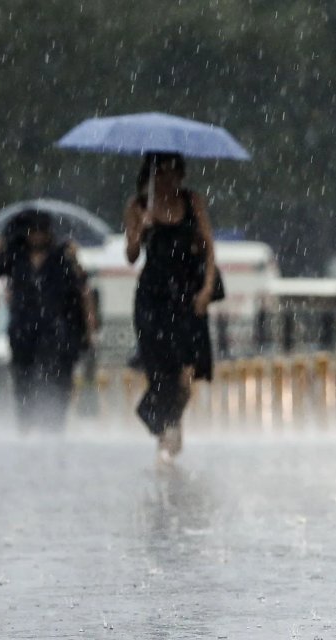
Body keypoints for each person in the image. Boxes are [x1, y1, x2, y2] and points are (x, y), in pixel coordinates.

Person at [123, 153, 217, 462]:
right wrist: (141, 229)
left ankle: (163, 419)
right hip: (153, 297)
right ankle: (167, 431)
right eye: (160, 173)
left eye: (173, 173)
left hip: (188, 296)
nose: (167, 179)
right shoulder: (138, 206)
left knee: (187, 369)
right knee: (159, 367)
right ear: (150, 176)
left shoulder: (192, 202)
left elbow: (209, 248)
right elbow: (131, 255)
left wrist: (206, 290)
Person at [0, 211, 97, 430]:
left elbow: (83, 290)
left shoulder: (63, 256)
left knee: (58, 379)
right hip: (24, 328)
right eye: (33, 231)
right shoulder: (15, 256)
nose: (37, 236)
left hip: (59, 328)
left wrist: (89, 329)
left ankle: (54, 424)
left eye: (42, 230)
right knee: (24, 379)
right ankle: (26, 423)